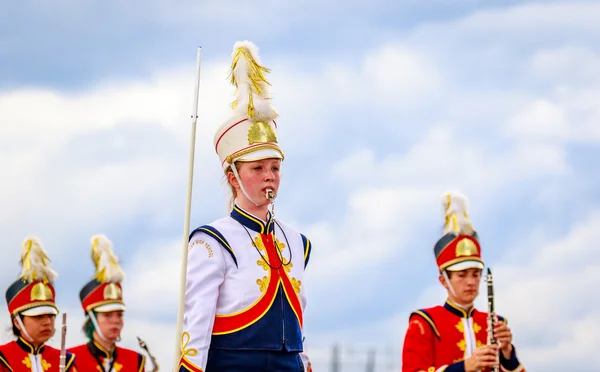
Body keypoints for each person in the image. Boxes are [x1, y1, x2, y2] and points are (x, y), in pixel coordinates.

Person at [177, 40, 313, 372]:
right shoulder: (211, 241)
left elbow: (299, 320)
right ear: (234, 177)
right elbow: (196, 325)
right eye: (257, 168)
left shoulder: (297, 241)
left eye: (275, 168)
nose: (270, 177)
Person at [401, 192, 527, 372]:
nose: (471, 282)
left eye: (476, 274)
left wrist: (507, 353)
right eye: (462, 275)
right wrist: (465, 367)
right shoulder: (424, 323)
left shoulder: (496, 322)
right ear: (444, 280)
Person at [68, 235, 146, 371]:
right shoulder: (71, 358)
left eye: (119, 315)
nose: (116, 321)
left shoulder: (136, 361)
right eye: (107, 315)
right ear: (92, 319)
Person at [0, 237, 77, 372]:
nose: (47, 322)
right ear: (17, 322)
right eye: (38, 316)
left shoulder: (66, 361)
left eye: (50, 315)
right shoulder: (4, 359)